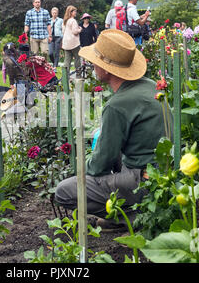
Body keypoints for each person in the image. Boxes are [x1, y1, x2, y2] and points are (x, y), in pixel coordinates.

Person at [55, 29, 170, 230]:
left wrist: (82, 169)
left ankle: (133, 217)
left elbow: (99, 165)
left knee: (65, 191)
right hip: (164, 174)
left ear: (107, 69)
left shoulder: (117, 104)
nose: (91, 65)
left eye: (95, 61)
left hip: (145, 182)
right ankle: (133, 211)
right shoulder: (150, 85)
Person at [62, 5, 82, 76]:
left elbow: (63, 31)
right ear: (71, 12)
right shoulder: (73, 21)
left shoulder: (65, 21)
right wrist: (80, 29)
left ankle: (65, 76)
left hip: (66, 43)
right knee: (77, 58)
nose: (76, 13)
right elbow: (75, 32)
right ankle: (78, 74)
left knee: (67, 60)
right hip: (74, 43)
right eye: (75, 11)